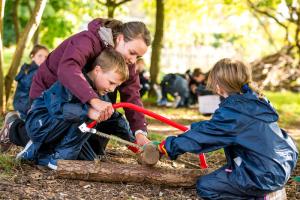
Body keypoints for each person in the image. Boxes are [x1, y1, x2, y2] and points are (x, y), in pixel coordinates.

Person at [153, 58, 298, 199]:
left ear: (218, 86)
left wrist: (167, 146)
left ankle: (262, 196)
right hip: (281, 163)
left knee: (206, 186)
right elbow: (216, 127)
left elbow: (204, 137)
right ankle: (267, 189)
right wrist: (194, 127)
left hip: (262, 173)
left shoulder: (235, 112)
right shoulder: (252, 101)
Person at [0, 18, 151, 152]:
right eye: (132, 52)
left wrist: (140, 132)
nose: (133, 59)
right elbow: (68, 68)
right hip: (51, 97)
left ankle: (88, 145)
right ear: (120, 39)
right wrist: (94, 100)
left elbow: (132, 95)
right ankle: (13, 129)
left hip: (83, 100)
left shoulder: (126, 62)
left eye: (138, 56)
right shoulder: (88, 40)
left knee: (87, 151)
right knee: (52, 143)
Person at [16, 48, 134, 170]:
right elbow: (58, 108)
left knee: (90, 162)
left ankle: (42, 154)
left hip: (58, 129)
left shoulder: (100, 94)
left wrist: (134, 142)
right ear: (97, 70)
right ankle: (56, 158)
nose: (112, 89)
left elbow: (115, 118)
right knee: (84, 116)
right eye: (111, 83)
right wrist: (88, 112)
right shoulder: (73, 81)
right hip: (40, 123)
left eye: (116, 86)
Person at [13, 45, 49, 119]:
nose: (43, 59)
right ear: (32, 56)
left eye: (46, 57)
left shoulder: (27, 68)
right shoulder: (35, 72)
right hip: (26, 107)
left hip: (19, 104)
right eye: (40, 56)